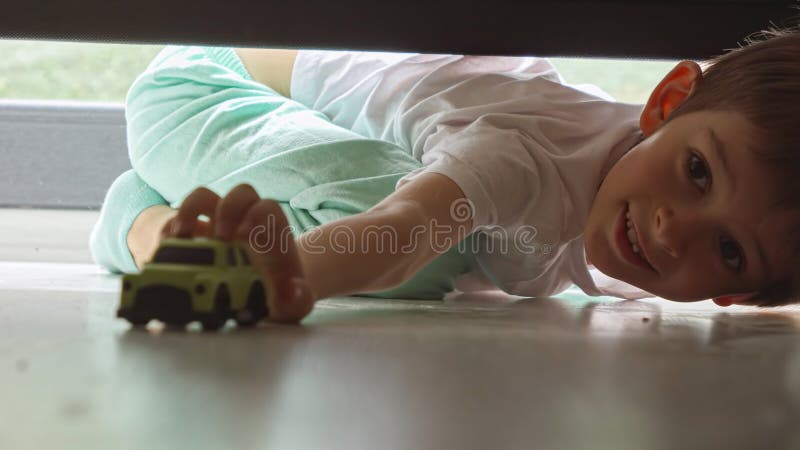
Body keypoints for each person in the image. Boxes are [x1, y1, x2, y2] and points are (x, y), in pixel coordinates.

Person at [90, 27, 800, 324]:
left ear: (733, 293)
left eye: (728, 249)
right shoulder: (530, 161)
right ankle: (167, 236)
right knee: (433, 248)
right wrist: (287, 279)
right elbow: (398, 233)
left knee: (451, 251)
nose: (676, 228)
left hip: (263, 127)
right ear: (666, 102)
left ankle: (145, 214)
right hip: (204, 82)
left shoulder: (639, 214)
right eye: (698, 172)